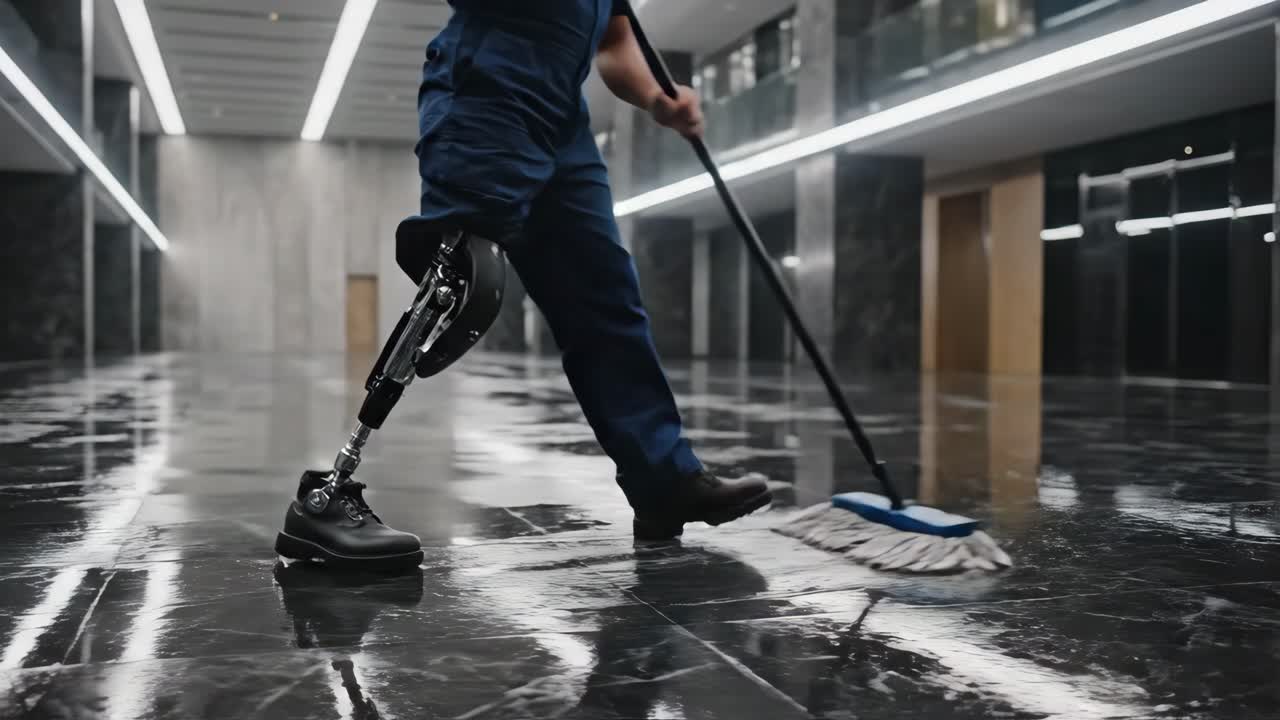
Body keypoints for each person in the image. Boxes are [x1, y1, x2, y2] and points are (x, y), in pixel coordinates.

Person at [278, 0, 771, 568]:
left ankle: (662, 482)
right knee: (457, 283)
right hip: (492, 82)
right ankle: (324, 495)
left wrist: (659, 99)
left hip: (565, 119)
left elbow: (613, 42)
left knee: (606, 301)